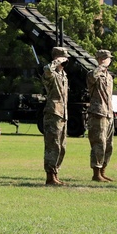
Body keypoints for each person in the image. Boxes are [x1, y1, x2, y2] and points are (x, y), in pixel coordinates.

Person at [42, 46, 70, 186]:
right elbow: (47, 69)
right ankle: (50, 176)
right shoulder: (51, 74)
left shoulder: (63, 75)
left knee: (62, 146)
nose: (65, 61)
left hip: (63, 114)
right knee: (53, 145)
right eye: (63, 58)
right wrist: (56, 61)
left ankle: (55, 173)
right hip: (53, 113)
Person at [87, 49, 115, 182]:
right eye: (104, 58)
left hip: (108, 113)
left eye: (108, 58)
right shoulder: (93, 74)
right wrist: (101, 66)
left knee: (109, 145)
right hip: (98, 113)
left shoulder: (109, 76)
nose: (107, 60)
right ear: (98, 59)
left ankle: (103, 170)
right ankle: (96, 172)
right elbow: (92, 76)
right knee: (99, 143)